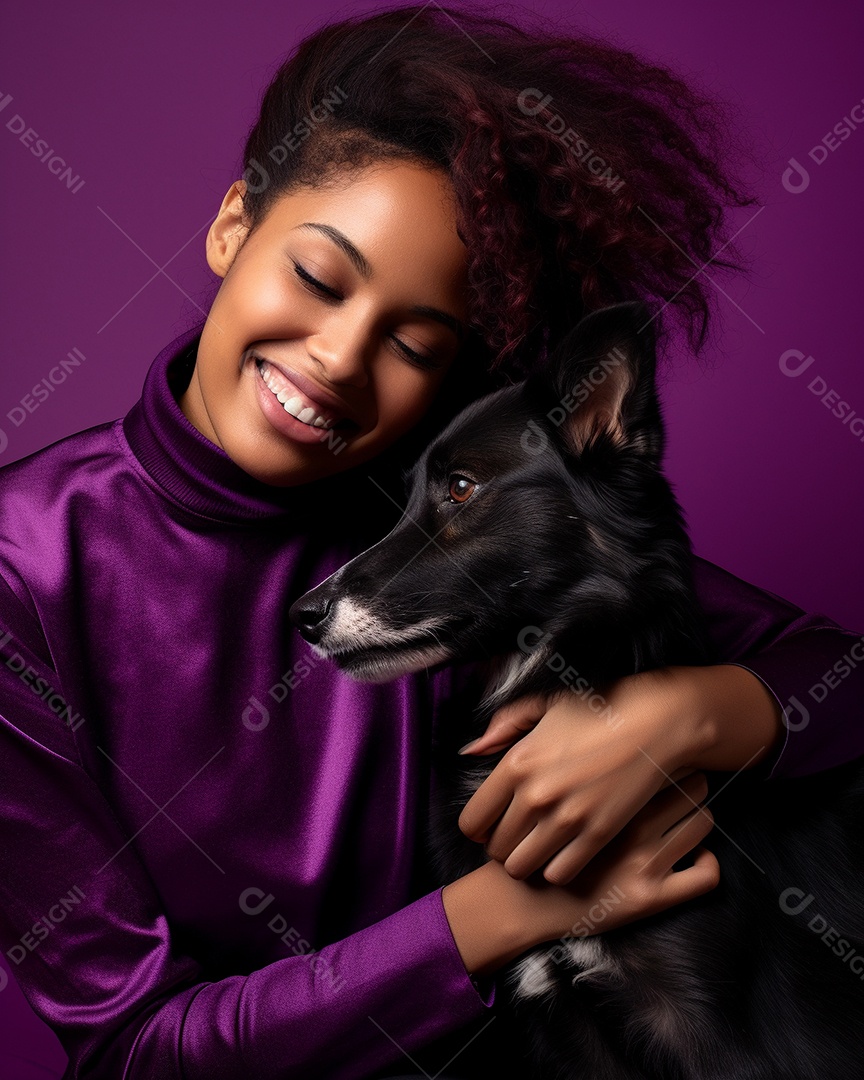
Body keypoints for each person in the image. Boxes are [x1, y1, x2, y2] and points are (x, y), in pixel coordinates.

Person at [1, 5, 861, 1079]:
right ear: (233, 226)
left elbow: (836, 673)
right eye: (318, 278)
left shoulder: (438, 496)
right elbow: (136, 1051)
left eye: (414, 342)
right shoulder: (22, 572)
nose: (338, 359)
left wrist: (685, 716)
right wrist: (499, 913)